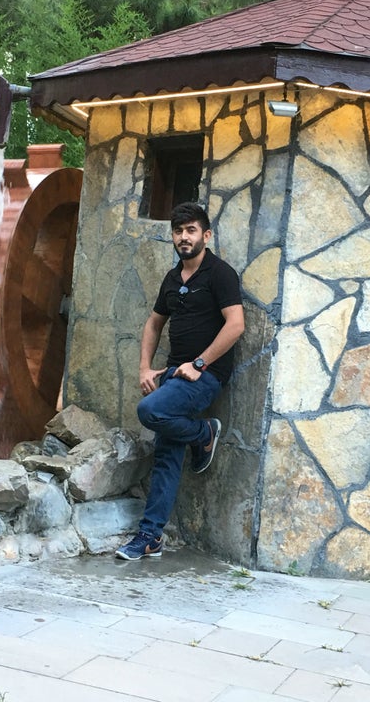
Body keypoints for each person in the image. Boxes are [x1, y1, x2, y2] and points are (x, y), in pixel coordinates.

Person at [115, 202, 244, 560]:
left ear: (206, 235)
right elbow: (154, 323)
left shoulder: (220, 274)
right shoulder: (172, 279)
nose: (183, 237)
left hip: (206, 376)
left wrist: (200, 363)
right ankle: (150, 536)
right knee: (166, 457)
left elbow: (236, 325)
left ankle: (204, 433)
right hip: (173, 375)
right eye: (178, 231)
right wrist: (145, 368)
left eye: (191, 230)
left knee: (149, 411)